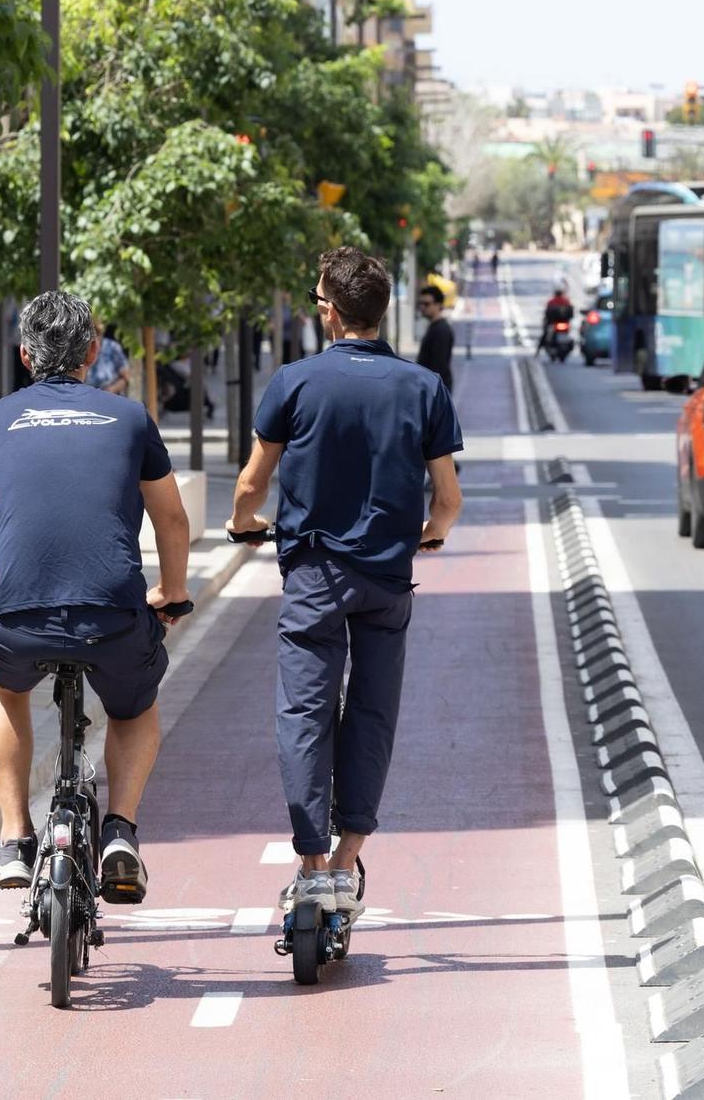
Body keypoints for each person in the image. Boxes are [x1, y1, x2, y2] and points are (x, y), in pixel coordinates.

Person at [229, 247, 463, 920]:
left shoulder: (294, 382)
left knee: (303, 711)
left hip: (313, 577)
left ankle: (309, 864)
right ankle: (345, 861)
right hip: (387, 578)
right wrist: (423, 535)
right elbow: (447, 499)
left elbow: (250, 483)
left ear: (330, 308)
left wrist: (247, 521)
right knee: (371, 712)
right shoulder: (423, 388)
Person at [0, 291, 191, 903]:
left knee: (2, 687)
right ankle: (120, 830)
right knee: (134, 707)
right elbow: (171, 519)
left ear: (24, 353)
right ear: (92, 353)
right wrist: (173, 591)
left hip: (19, 617)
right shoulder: (132, 418)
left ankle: (12, 837)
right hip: (112, 612)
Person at [416, 284, 455, 393]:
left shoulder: (441, 330)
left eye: (427, 304)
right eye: (421, 304)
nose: (422, 307)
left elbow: (439, 366)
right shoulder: (435, 327)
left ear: (438, 305)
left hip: (435, 391)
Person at [87, 322, 131, 395]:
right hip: (87, 398)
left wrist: (112, 390)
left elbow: (126, 377)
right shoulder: (81, 348)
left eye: (97, 333)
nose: (94, 338)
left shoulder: (112, 347)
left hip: (110, 398)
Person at [541, 276, 575, 355]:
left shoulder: (552, 301)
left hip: (556, 323)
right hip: (558, 323)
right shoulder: (566, 301)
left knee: (545, 333)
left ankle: (539, 349)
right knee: (546, 333)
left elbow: (547, 312)